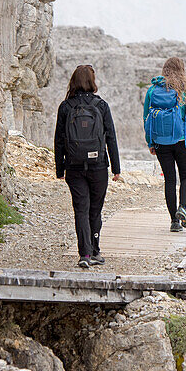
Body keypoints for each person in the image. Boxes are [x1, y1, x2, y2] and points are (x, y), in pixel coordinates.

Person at [54, 64, 121, 268]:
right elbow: (111, 137)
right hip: (98, 165)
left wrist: (60, 168)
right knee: (95, 210)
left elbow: (58, 139)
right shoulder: (101, 106)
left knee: (80, 209)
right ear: (92, 82)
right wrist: (116, 168)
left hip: (73, 166)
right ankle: (95, 250)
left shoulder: (65, 107)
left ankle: (84, 254)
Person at [143, 57, 186, 232]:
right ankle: (182, 207)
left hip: (161, 142)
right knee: (185, 177)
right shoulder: (184, 90)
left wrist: (150, 142)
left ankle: (174, 222)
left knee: (169, 180)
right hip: (182, 141)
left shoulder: (152, 91)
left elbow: (146, 118)